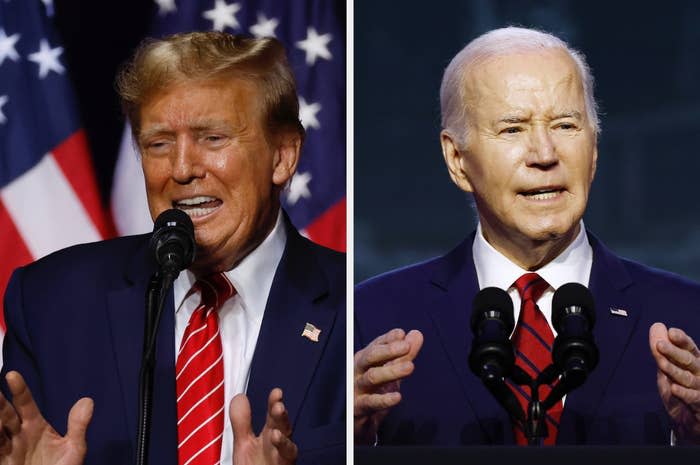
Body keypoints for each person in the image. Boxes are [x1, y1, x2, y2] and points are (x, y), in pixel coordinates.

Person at [0, 32, 345, 465]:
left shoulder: (357, 310)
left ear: (282, 156)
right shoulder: (51, 301)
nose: (181, 169)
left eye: (213, 138)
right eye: (159, 143)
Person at [354, 26, 700, 446]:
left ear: (593, 150)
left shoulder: (687, 320)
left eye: (565, 125)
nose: (544, 154)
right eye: (513, 129)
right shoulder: (368, 322)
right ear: (457, 159)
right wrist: (347, 440)